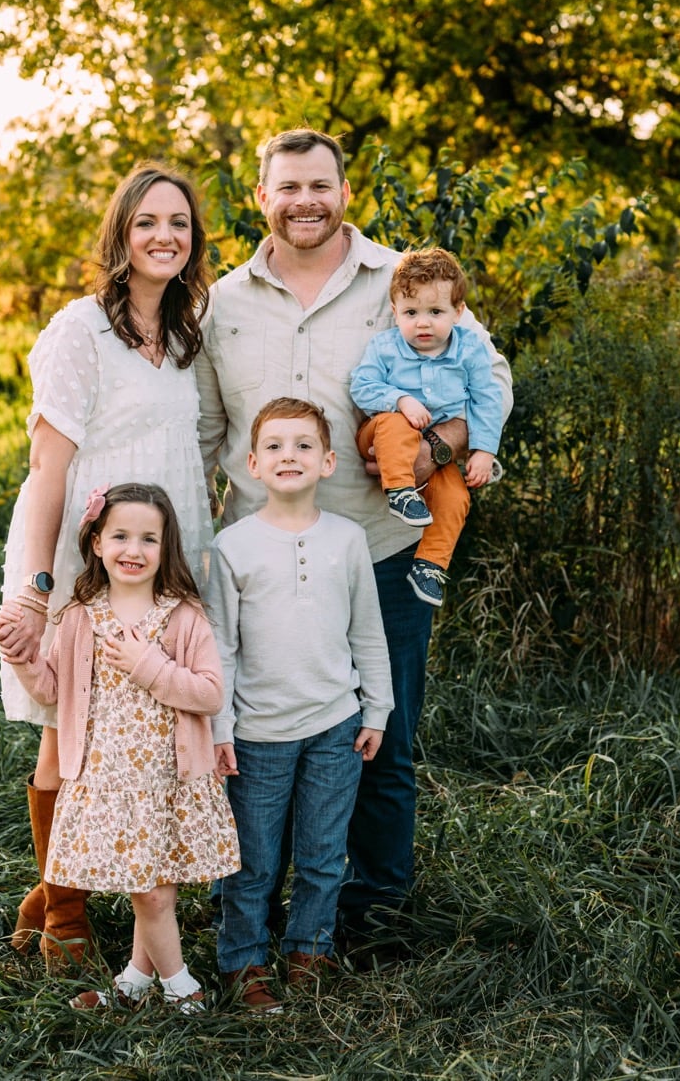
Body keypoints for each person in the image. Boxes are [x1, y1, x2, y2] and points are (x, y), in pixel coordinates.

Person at [194, 128, 513, 949]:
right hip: (258, 558)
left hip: (381, 547)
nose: (306, 201)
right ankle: (255, 908)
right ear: (261, 196)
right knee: (260, 737)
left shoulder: (403, 280)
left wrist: (437, 451)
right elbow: (204, 430)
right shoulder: (223, 301)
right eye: (288, 187)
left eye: (320, 186)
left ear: (345, 193)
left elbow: (491, 375)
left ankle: (370, 913)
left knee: (383, 730)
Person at [0, 163, 214, 969]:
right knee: (70, 732)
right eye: (148, 221)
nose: (164, 235)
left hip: (163, 562)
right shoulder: (79, 330)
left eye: (179, 224)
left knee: (141, 728)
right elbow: (47, 470)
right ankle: (69, 916)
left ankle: (49, 892)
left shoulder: (189, 335)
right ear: (121, 233)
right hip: (86, 562)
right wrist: (37, 587)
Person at [0, 482, 238, 1012]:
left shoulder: (183, 617)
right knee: (147, 890)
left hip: (167, 779)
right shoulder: (81, 616)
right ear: (98, 543)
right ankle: (161, 985)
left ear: (165, 547)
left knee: (157, 892)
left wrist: (148, 666)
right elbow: (53, 691)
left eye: (148, 539)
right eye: (121, 536)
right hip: (109, 782)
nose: (134, 550)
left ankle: (161, 985)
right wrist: (23, 657)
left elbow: (210, 692)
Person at [206, 397, 392, 1011]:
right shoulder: (232, 547)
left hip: (334, 728)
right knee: (254, 860)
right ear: (252, 463)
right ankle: (243, 960)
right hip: (258, 733)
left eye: (304, 445)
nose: (291, 456)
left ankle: (309, 949)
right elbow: (223, 649)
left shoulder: (346, 539)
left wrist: (377, 710)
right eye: (277, 447)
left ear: (329, 461)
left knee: (321, 855)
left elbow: (368, 631)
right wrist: (221, 728)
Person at [350, 247, 504, 607]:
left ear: (458, 312)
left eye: (435, 312)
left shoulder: (469, 351)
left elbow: (487, 399)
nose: (422, 323)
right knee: (395, 424)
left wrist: (484, 450)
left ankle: (430, 566)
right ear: (395, 311)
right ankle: (401, 492)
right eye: (411, 312)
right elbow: (362, 385)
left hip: (434, 453)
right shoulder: (385, 347)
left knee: (455, 496)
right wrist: (400, 400)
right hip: (381, 437)